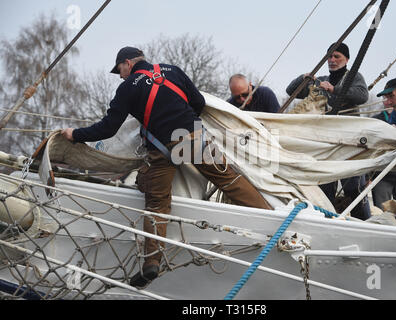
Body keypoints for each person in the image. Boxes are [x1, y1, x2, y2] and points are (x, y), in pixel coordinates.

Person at [61, 46, 273, 288]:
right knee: (229, 180)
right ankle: (270, 218)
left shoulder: (127, 87)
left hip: (161, 149)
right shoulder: (172, 70)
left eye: (119, 70)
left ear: (128, 63)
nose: (120, 75)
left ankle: (152, 262)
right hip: (193, 138)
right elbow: (199, 103)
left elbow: (108, 128)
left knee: (157, 204)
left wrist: (75, 134)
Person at [286, 42, 371, 220]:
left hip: (349, 141)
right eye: (329, 57)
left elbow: (362, 95)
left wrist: (335, 89)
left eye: (337, 56)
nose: (332, 60)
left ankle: (363, 221)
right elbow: (291, 91)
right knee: (325, 186)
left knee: (352, 187)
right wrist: (303, 77)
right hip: (325, 141)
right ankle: (329, 220)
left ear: (346, 59)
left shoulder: (353, 76)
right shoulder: (321, 80)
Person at [370, 99, 396, 210]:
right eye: (386, 99)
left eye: (391, 98)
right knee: (381, 210)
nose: (389, 102)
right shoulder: (375, 121)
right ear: (383, 102)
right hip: (381, 174)